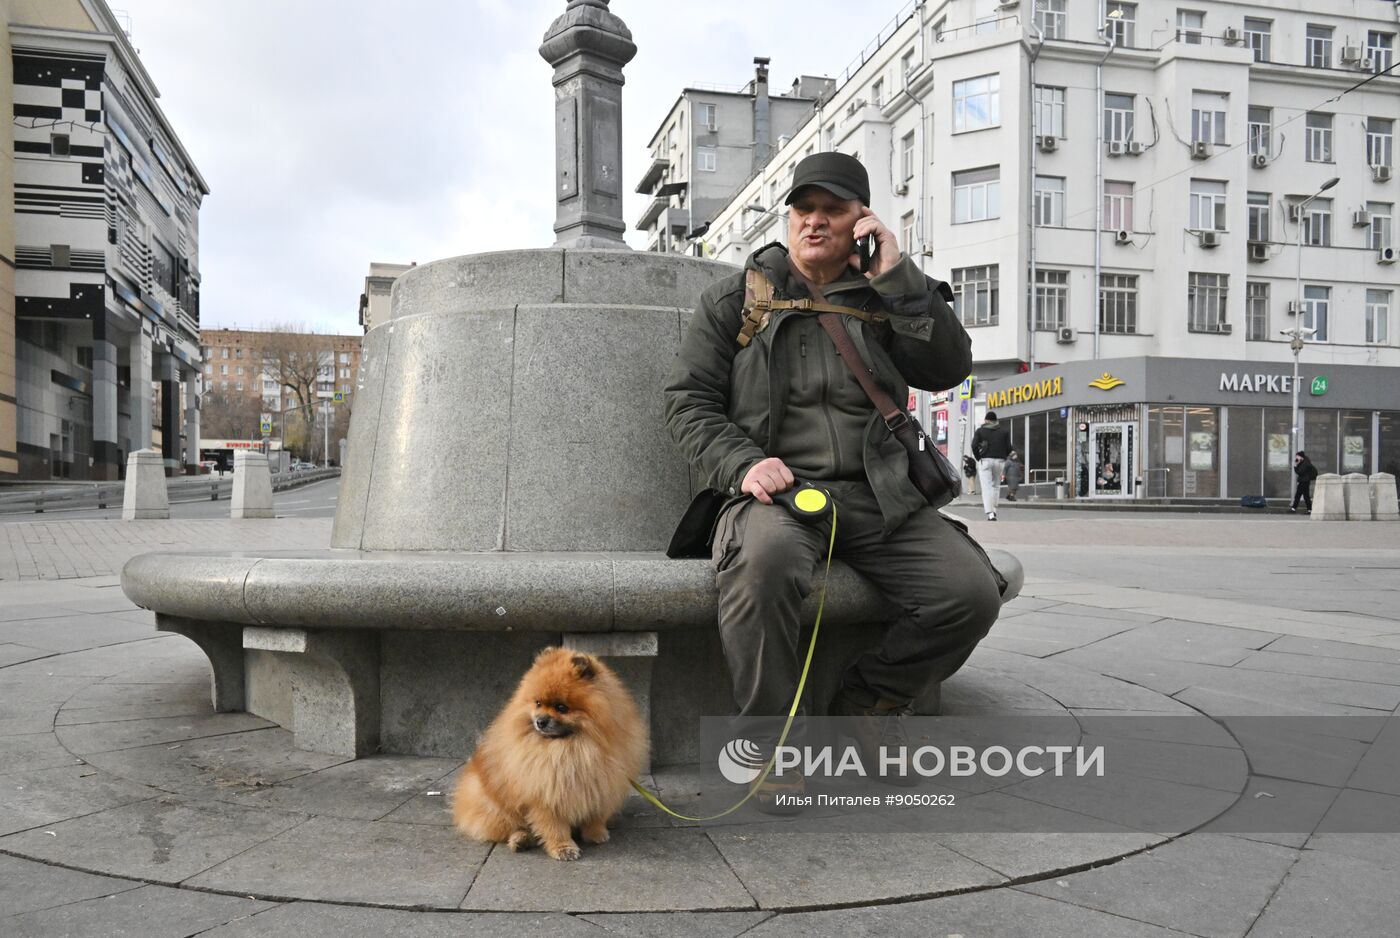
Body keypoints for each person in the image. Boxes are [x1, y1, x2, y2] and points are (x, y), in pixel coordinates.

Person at [663, 152, 1003, 792]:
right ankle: (766, 746)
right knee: (762, 565)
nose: (815, 222)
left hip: (881, 495)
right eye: (804, 209)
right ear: (789, 216)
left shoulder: (891, 295)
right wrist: (743, 464)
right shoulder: (737, 298)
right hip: (778, 494)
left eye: (833, 210)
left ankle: (869, 703)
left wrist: (900, 278)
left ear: (861, 221)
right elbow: (688, 401)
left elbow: (947, 367)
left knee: (970, 594)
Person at [971, 411, 1012, 520]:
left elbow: (974, 445)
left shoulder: (980, 431)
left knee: (987, 487)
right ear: (995, 420)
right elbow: (1009, 448)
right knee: (996, 486)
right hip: (999, 461)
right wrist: (1003, 457)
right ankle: (994, 509)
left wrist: (978, 457)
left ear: (986, 420)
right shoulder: (1004, 431)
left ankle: (990, 513)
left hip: (985, 461)